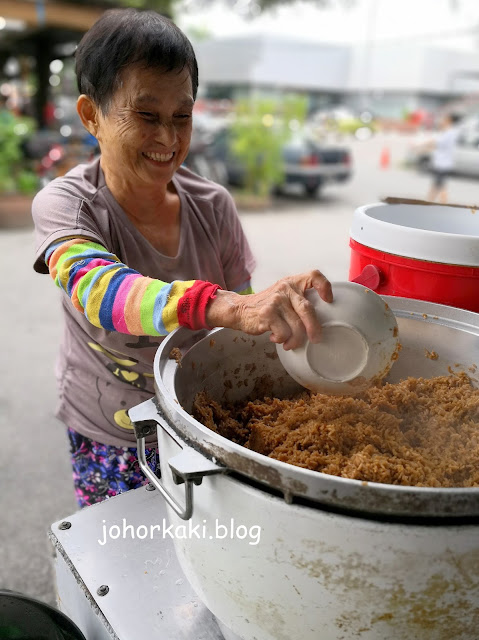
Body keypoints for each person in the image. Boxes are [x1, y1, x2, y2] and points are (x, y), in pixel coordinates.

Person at [32, 8, 332, 508]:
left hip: (199, 422)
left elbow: (243, 319)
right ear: (91, 116)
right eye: (146, 116)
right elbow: (102, 292)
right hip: (111, 431)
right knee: (126, 553)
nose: (168, 139)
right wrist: (229, 306)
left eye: (182, 117)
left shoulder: (213, 205)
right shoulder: (67, 205)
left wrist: (284, 316)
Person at [426, 112, 462, 204]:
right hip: (444, 163)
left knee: (440, 187)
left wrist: (418, 145)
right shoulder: (451, 131)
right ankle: (429, 202)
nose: (443, 120)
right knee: (438, 185)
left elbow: (436, 142)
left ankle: (440, 204)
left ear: (450, 120)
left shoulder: (449, 133)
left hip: (442, 164)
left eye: (445, 119)